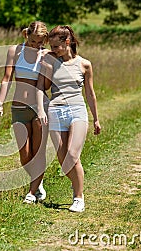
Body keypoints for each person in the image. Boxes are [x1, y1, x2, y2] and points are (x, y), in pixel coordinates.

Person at [36, 25, 101, 212]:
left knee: (73, 155)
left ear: (67, 42)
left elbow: (90, 93)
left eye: (57, 46)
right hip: (56, 111)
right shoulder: (50, 60)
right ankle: (76, 185)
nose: (54, 50)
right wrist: (41, 110)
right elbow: (41, 87)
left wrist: (96, 118)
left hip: (77, 111)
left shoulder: (85, 64)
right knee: (64, 163)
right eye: (52, 47)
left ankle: (78, 197)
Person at [0, 21, 50, 204]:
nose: (36, 45)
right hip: (18, 107)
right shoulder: (15, 51)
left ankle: (32, 192)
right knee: (24, 154)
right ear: (27, 36)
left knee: (38, 151)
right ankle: (37, 182)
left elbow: (48, 84)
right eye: (33, 41)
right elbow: (6, 78)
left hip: (40, 108)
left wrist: (45, 64)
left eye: (40, 42)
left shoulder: (46, 55)